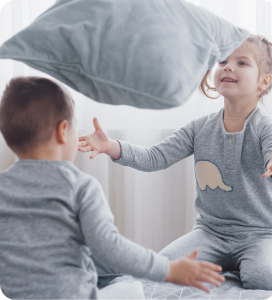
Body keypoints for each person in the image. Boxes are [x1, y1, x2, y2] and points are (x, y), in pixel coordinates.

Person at [78, 34, 272, 291]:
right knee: (162, 270)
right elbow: (154, 158)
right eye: (223, 61)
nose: (228, 66)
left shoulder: (267, 129)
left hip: (260, 235)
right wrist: (112, 147)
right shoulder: (199, 128)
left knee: (264, 278)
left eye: (242, 63)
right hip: (210, 232)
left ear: (264, 81)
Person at [0, 77, 225, 300]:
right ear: (63, 131)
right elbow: (110, 248)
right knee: (132, 288)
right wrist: (170, 269)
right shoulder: (80, 186)